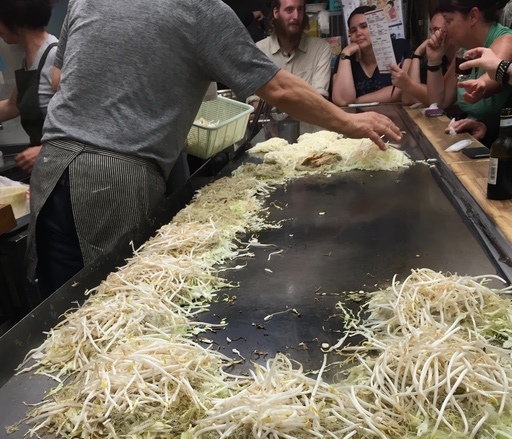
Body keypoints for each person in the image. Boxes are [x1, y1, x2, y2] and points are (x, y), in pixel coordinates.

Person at [28, 0, 400, 299]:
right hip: (114, 178)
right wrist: (348, 122)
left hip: (52, 163)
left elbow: (59, 79)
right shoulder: (199, 10)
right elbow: (278, 88)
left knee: (60, 313)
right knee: (116, 306)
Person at [426, 0, 512, 146]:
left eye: (448, 21)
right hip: (480, 138)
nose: (443, 29)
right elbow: (439, 102)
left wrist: (481, 84)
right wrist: (434, 60)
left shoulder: (506, 41)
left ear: (473, 16)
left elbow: (487, 81)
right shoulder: (465, 50)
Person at [0, 0, 58, 174]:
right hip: (44, 167)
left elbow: (82, 123)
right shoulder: (29, 59)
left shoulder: (56, 57)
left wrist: (47, 150)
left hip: (61, 165)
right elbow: (12, 106)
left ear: (14, 19)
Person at [331, 5, 412, 107]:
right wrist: (346, 53)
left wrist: (358, 101)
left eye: (364, 26)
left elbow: (404, 90)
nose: (358, 33)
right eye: (353, 30)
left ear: (377, 27)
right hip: (357, 116)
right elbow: (342, 101)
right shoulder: (345, 57)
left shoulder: (399, 47)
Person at [256, 0, 332, 96]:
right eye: (289, 10)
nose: (296, 16)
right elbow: (254, 99)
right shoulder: (260, 50)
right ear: (276, 13)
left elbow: (319, 98)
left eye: (300, 9)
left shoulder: (320, 49)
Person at [389, 12, 458, 106]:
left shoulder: (464, 55)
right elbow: (408, 99)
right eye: (431, 31)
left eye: (437, 30)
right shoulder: (436, 62)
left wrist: (408, 84)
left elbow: (437, 102)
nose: (432, 36)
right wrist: (417, 53)